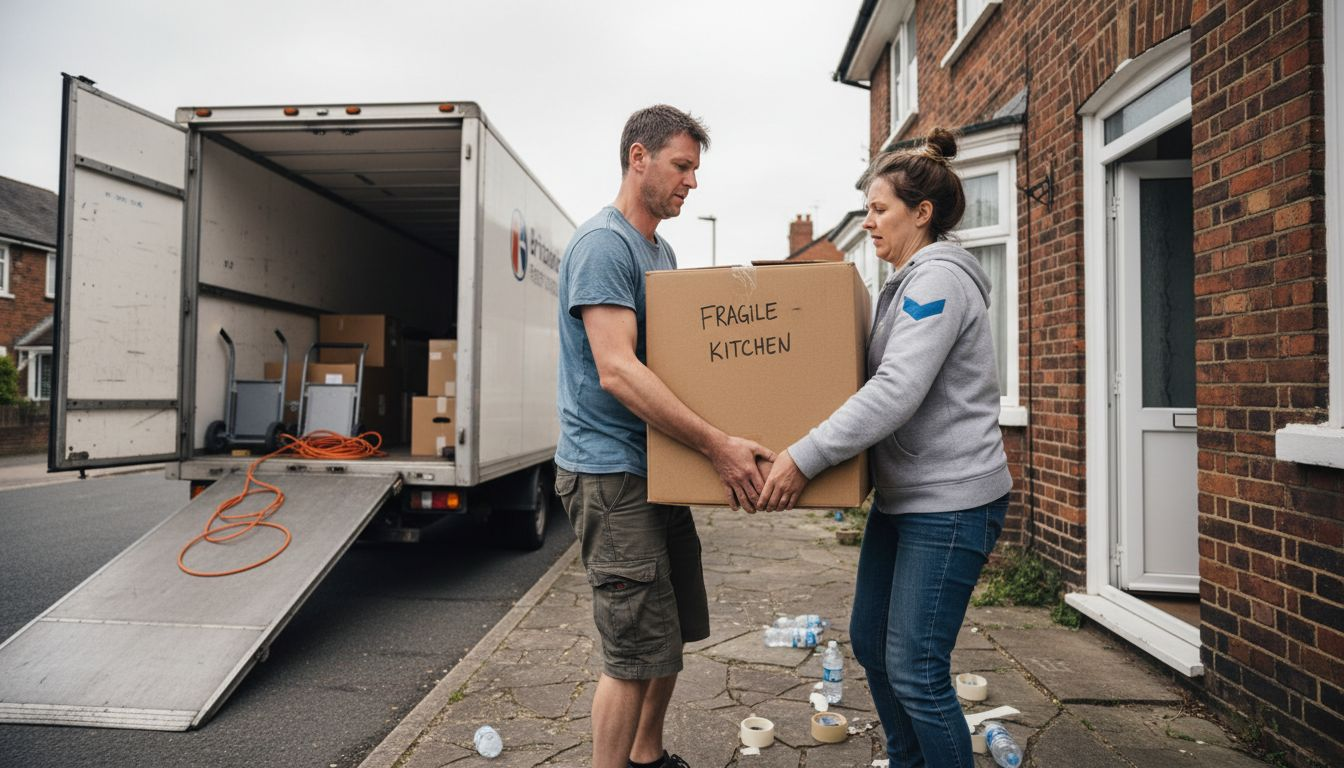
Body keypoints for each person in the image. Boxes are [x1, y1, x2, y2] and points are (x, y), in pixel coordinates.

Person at [759, 128, 1012, 767]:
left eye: (879, 209)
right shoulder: (906, 283)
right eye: (867, 209)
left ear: (921, 213)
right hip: (906, 500)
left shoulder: (938, 282)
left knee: (917, 666)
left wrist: (802, 456)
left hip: (951, 503)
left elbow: (896, 390)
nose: (868, 222)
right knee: (871, 642)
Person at [554, 104, 775, 768]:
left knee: (668, 631)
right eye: (682, 166)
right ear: (638, 158)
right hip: (612, 475)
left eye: (695, 169)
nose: (692, 182)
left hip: (657, 470)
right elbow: (619, 370)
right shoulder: (603, 246)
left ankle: (647, 756)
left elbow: (682, 361)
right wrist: (716, 444)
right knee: (630, 653)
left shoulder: (661, 250)